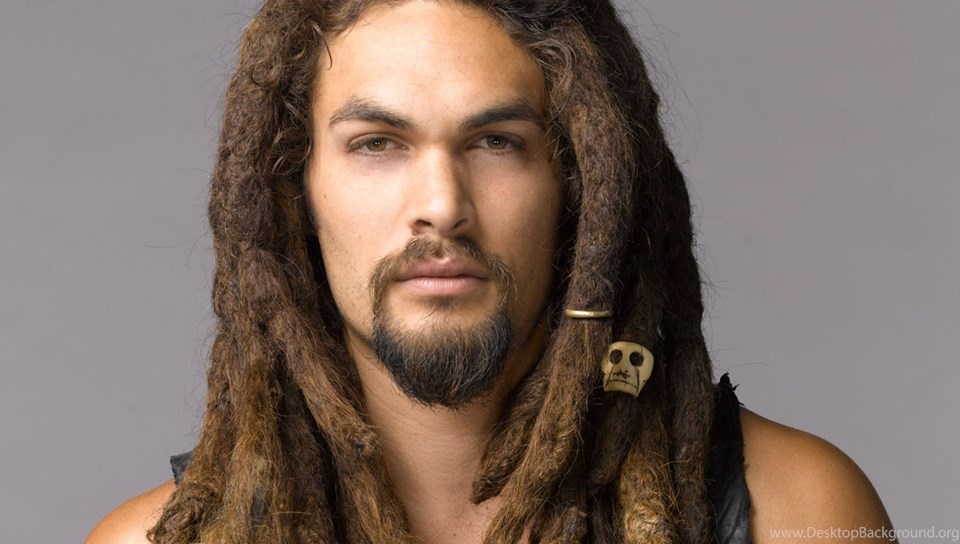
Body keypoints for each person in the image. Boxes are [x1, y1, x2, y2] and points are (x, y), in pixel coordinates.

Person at [85, 1, 894, 543]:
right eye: (377, 144)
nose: (442, 205)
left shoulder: (798, 515)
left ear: (579, 188)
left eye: (496, 142)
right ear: (295, 191)